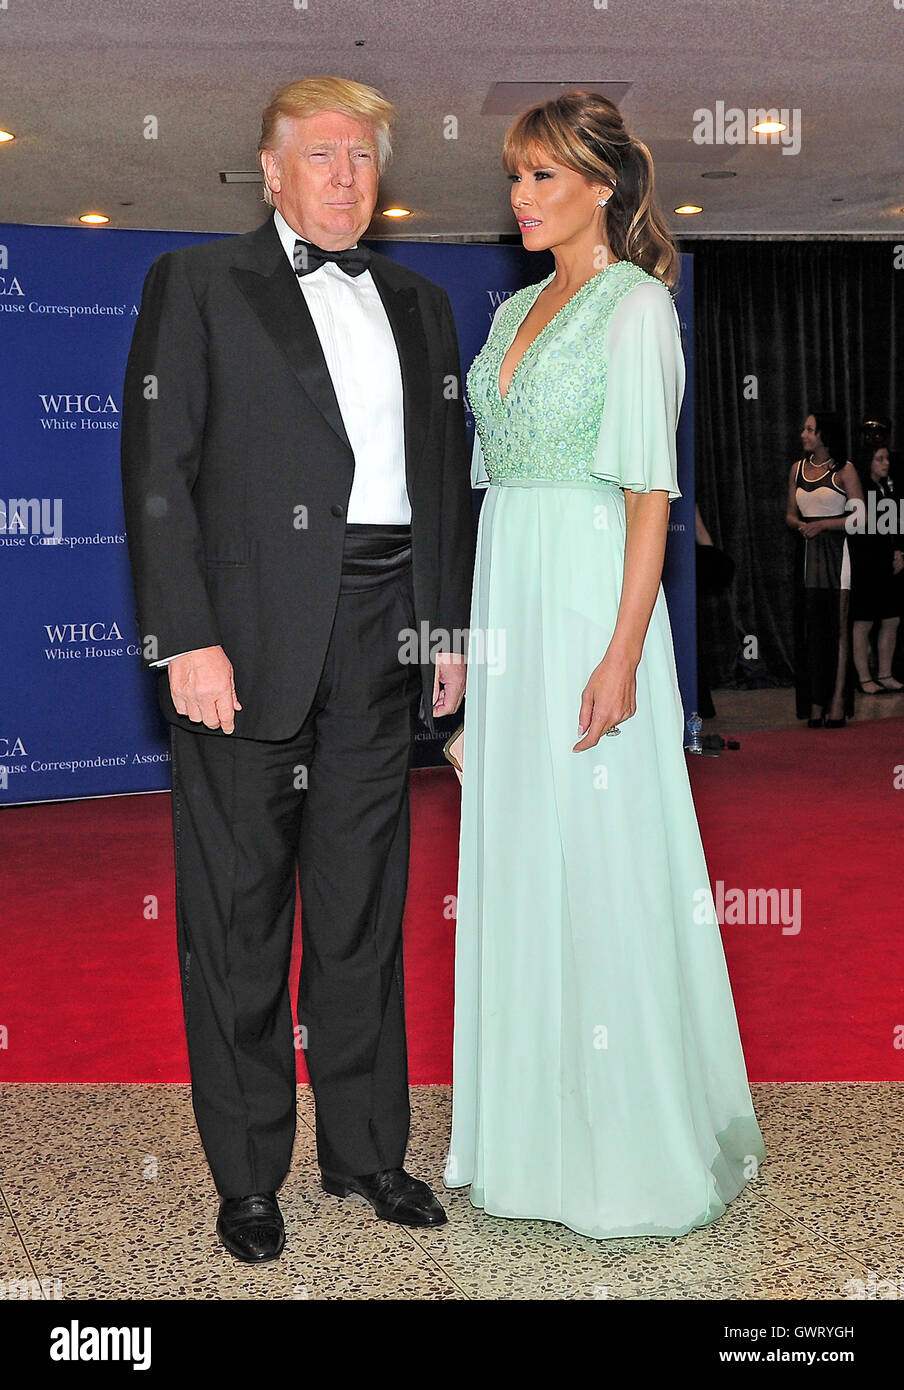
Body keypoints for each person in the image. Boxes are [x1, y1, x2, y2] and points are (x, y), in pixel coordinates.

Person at [121, 76, 475, 1261]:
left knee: (366, 908)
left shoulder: (422, 303)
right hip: (247, 638)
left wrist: (446, 631)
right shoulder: (198, 286)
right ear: (268, 170)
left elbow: (440, 491)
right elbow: (158, 473)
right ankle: (248, 1174)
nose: (345, 176)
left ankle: (370, 1152)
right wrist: (187, 637)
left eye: (363, 158)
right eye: (320, 155)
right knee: (236, 918)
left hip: (385, 629)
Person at [444, 90, 765, 1239]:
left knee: (602, 860)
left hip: (591, 600)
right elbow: (490, 492)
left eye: (542, 176)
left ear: (603, 187)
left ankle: (632, 1144)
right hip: (511, 594)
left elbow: (647, 495)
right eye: (514, 177)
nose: (520, 197)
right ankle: (529, 1138)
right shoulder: (513, 310)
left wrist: (622, 652)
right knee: (526, 859)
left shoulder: (637, 309)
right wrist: (477, 663)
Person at [785, 412, 863, 727]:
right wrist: (803, 526)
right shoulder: (796, 470)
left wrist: (823, 526)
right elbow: (789, 514)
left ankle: (837, 703)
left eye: (810, 429)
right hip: (808, 555)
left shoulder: (845, 470)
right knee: (812, 632)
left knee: (839, 630)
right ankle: (814, 704)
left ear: (824, 435)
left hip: (837, 554)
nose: (804, 434)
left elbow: (860, 518)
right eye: (804, 428)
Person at [850, 443, 904, 694]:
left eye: (887, 458)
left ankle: (885, 673)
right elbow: (858, 530)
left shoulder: (889, 488)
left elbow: (894, 524)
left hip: (885, 562)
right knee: (864, 622)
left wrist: (898, 551)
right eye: (880, 459)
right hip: (864, 563)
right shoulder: (859, 489)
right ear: (868, 462)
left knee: (892, 619)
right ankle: (864, 678)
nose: (886, 463)